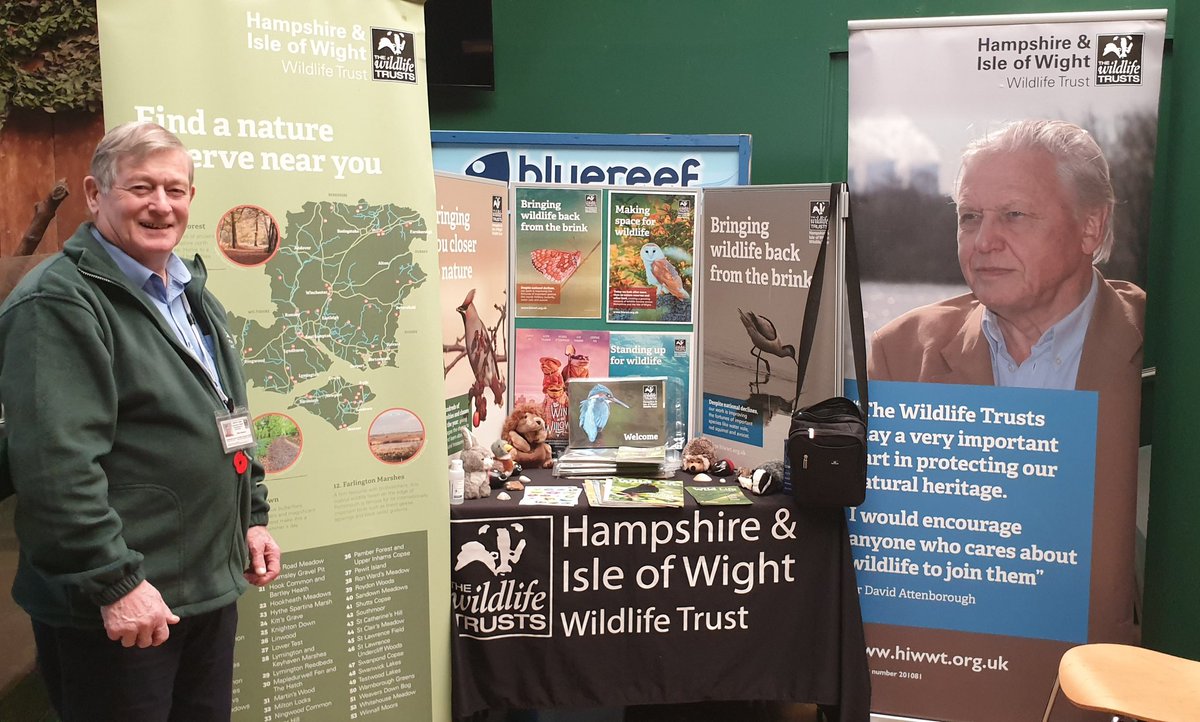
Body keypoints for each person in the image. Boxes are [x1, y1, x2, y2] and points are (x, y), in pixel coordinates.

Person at [0, 122, 281, 720]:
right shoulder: (61, 303)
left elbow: (226, 413)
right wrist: (115, 583)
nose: (161, 205)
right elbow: (56, 466)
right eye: (141, 188)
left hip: (198, 589)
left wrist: (250, 518)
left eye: (175, 190)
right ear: (95, 194)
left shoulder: (187, 291)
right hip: (122, 608)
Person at [868, 118, 1143, 643]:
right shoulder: (899, 354)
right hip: (948, 669)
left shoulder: (1164, 346)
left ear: (1090, 226)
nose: (984, 241)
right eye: (970, 217)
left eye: (1014, 215)